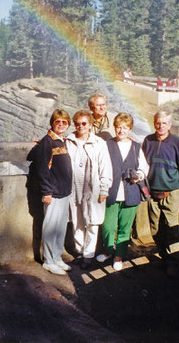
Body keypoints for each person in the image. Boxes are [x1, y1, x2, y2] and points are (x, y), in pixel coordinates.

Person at [96, 113, 149, 271]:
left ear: (130, 129)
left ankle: (119, 255)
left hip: (130, 191)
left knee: (125, 227)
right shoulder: (107, 144)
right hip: (111, 191)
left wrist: (138, 175)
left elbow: (144, 167)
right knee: (108, 226)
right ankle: (107, 251)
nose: (121, 130)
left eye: (125, 127)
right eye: (119, 127)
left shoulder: (136, 147)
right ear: (115, 127)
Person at [142, 111, 179, 274]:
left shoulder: (176, 142)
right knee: (155, 228)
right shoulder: (148, 141)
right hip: (152, 192)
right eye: (158, 123)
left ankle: (173, 261)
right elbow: (142, 166)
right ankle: (163, 255)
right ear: (154, 123)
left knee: (171, 228)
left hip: (172, 192)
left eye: (164, 123)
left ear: (169, 125)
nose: (161, 126)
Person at [27, 109, 73, 275]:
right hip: (52, 192)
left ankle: (57, 257)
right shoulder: (48, 141)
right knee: (50, 226)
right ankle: (48, 260)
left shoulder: (63, 141)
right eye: (57, 122)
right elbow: (42, 169)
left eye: (64, 122)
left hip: (64, 192)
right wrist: (46, 191)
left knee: (60, 227)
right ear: (52, 124)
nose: (61, 125)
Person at [66, 110, 112, 269]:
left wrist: (104, 189)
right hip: (74, 188)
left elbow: (105, 167)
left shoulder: (99, 143)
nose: (80, 126)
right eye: (77, 123)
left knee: (92, 222)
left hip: (93, 189)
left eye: (84, 123)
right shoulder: (69, 140)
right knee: (77, 222)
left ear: (91, 125)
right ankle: (80, 251)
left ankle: (89, 254)